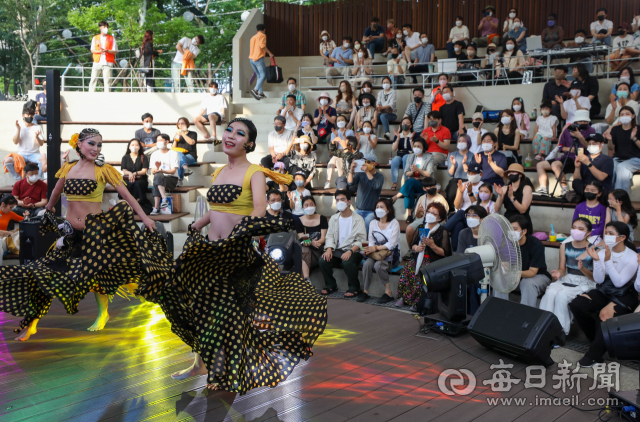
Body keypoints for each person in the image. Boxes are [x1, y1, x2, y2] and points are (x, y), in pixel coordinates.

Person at [150, 117, 326, 393]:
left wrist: (239, 233)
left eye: (239, 133)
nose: (230, 135)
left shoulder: (254, 172)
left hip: (235, 252)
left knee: (226, 315)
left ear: (250, 143)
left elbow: (258, 208)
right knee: (196, 306)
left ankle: (224, 372)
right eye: (229, 130)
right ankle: (202, 362)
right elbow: (218, 207)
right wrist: (200, 223)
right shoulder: (219, 172)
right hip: (210, 250)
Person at [0, 128, 159, 341]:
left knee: (99, 276)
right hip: (70, 233)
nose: (96, 148)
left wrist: (146, 218)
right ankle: (32, 322)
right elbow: (55, 193)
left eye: (99, 145)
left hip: (95, 233)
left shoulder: (105, 170)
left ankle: (103, 313)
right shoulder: (68, 168)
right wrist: (48, 209)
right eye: (92, 144)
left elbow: (128, 196)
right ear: (80, 145)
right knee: (45, 272)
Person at [569, 222, 638, 367]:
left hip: (625, 293)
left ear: (622, 237)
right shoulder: (600, 251)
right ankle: (598, 340)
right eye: (605, 232)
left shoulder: (631, 257)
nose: (606, 236)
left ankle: (594, 356)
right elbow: (599, 279)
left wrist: (607, 261)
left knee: (604, 315)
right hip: (605, 289)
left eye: (611, 233)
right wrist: (597, 259)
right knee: (577, 304)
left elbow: (619, 282)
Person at [540, 217, 595, 335]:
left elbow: (595, 277)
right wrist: (559, 273)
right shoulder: (565, 246)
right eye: (573, 228)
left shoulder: (593, 249)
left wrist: (583, 269)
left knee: (562, 296)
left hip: (585, 282)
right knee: (550, 293)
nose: (576, 231)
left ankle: (560, 333)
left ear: (588, 233)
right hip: (568, 278)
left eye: (580, 229)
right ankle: (543, 328)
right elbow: (562, 268)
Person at [397, 202, 450, 310]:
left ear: (439, 218)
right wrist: (417, 248)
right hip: (419, 258)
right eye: (428, 211)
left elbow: (446, 253)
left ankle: (418, 302)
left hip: (433, 261)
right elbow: (412, 244)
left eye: (434, 213)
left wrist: (433, 246)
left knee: (423, 273)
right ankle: (405, 298)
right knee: (408, 268)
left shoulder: (442, 231)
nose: (429, 214)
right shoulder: (421, 227)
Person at [495, 215, 552, 307]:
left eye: (514, 229)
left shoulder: (536, 244)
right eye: (509, 229)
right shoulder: (506, 243)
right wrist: (503, 269)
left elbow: (532, 272)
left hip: (538, 276)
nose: (511, 232)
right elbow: (505, 265)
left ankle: (525, 317)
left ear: (524, 231)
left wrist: (514, 273)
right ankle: (501, 311)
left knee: (527, 283)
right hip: (515, 277)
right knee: (499, 278)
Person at [319, 190, 367, 297]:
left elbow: (361, 240)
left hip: (354, 250)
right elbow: (329, 236)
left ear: (349, 201)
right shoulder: (333, 218)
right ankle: (331, 285)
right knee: (323, 260)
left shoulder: (358, 219)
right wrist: (329, 249)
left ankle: (354, 288)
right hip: (337, 251)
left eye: (342, 199)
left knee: (347, 261)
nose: (339, 202)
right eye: (337, 200)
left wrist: (350, 251)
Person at [535, 109, 593, 196]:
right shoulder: (568, 130)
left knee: (555, 165)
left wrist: (580, 136)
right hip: (568, 157)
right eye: (580, 120)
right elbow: (561, 147)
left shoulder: (591, 130)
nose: (583, 122)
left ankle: (565, 188)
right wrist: (571, 149)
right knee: (540, 165)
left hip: (582, 158)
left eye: (585, 121)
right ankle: (543, 188)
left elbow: (590, 149)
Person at [359, 198, 400, 303]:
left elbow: (392, 244)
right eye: (377, 207)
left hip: (391, 255)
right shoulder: (373, 222)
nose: (378, 209)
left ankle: (388, 292)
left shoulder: (394, 223)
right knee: (367, 264)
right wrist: (368, 249)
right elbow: (371, 241)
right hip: (376, 254)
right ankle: (366, 291)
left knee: (378, 265)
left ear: (388, 210)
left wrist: (375, 248)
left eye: (381, 207)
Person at [391, 139, 436, 222]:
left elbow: (428, 174)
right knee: (409, 187)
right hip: (412, 183)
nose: (416, 148)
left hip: (424, 184)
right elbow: (406, 172)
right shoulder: (410, 156)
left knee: (409, 182)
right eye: (414, 146)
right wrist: (412, 171)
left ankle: (396, 197)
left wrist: (418, 169)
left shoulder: (429, 157)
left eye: (418, 146)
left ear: (423, 148)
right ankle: (409, 215)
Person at [455, 204, 489, 315]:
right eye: (468, 215)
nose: (470, 218)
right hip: (468, 270)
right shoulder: (463, 233)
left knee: (475, 282)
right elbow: (460, 256)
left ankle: (475, 316)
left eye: (474, 215)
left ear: (482, 219)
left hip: (487, 270)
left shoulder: (490, 235)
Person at [446, 161, 483, 251]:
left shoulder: (483, 186)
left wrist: (470, 193)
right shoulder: (463, 185)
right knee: (458, 225)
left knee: (461, 212)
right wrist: (461, 192)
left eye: (474, 173)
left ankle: (444, 229)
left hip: (475, 216)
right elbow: (457, 205)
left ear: (480, 174)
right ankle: (456, 251)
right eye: (469, 172)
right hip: (462, 217)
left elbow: (479, 207)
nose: (471, 175)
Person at [403, 177, 449, 246]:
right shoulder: (422, 198)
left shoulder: (440, 198)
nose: (432, 188)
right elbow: (418, 216)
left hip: (436, 221)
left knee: (428, 230)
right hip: (423, 219)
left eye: (433, 186)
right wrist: (418, 211)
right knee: (409, 229)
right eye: (429, 186)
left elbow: (444, 215)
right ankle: (412, 249)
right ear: (424, 188)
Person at [347, 153, 384, 235]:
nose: (365, 164)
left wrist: (367, 172)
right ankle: (353, 244)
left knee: (368, 221)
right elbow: (350, 183)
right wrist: (351, 170)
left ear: (375, 164)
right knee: (350, 220)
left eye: (368, 162)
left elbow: (376, 186)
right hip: (358, 210)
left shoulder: (380, 176)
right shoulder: (360, 174)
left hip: (371, 211)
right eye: (364, 161)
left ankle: (366, 244)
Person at [6, 102, 44, 181]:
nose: (29, 117)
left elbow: (41, 143)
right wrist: (18, 130)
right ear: (23, 116)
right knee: (7, 161)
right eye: (27, 115)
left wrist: (37, 137)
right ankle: (18, 179)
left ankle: (38, 179)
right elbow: (15, 142)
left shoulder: (37, 127)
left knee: (43, 159)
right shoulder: (19, 126)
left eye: (31, 115)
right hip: (21, 154)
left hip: (34, 154)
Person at [607, 106, 640, 191]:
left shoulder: (638, 129)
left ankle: (619, 197)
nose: (624, 116)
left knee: (622, 167)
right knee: (610, 166)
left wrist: (634, 138)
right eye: (622, 114)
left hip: (636, 159)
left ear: (632, 116)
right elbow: (610, 148)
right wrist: (610, 140)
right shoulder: (615, 129)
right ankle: (607, 193)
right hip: (618, 158)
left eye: (627, 114)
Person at [295, 196, 327, 283]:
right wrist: (311, 243)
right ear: (303, 207)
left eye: (311, 204)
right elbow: (302, 239)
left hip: (319, 247)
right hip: (307, 247)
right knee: (304, 249)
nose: (309, 207)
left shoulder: (322, 218)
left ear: (315, 205)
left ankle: (304, 280)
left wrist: (315, 243)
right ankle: (306, 278)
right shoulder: (299, 221)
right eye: (306, 205)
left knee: (301, 257)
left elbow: (323, 238)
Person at [573, 133, 614, 198]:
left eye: (594, 143)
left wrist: (588, 164)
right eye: (589, 143)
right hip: (586, 189)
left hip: (601, 189)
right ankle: (586, 198)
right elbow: (577, 179)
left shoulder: (607, 159)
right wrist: (577, 167)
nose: (591, 145)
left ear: (602, 144)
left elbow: (601, 177)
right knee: (576, 182)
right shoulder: (584, 158)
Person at [494, 163, 533, 231]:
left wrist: (512, 198)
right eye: (509, 172)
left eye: (513, 172)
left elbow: (523, 210)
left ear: (520, 174)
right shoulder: (504, 189)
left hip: (522, 221)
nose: (511, 174)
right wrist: (500, 196)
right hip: (508, 220)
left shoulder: (527, 188)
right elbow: (496, 209)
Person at [149, 134, 179, 215]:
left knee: (157, 178)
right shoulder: (154, 154)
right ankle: (164, 198)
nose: (158, 142)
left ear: (167, 142)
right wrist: (158, 168)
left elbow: (173, 171)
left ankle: (156, 208)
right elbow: (152, 171)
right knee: (157, 177)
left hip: (171, 179)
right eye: (157, 141)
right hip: (159, 178)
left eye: (160, 140)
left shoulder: (173, 153)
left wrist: (162, 171)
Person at [119, 139, 151, 213]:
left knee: (137, 184)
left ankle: (139, 202)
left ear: (139, 147)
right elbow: (124, 170)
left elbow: (144, 171)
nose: (134, 147)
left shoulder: (144, 157)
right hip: (128, 178)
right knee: (126, 183)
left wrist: (135, 173)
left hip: (141, 178)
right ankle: (127, 204)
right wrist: (130, 173)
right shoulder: (125, 157)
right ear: (129, 147)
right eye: (132, 145)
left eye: (136, 145)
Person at [390, 118, 421, 190]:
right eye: (403, 123)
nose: (405, 124)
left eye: (407, 123)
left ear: (410, 126)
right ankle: (395, 182)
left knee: (405, 158)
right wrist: (397, 138)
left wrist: (411, 140)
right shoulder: (398, 135)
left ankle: (406, 180)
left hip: (410, 154)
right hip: (399, 154)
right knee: (395, 160)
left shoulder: (415, 135)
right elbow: (394, 149)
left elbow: (415, 150)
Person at [89, 21, 118, 93]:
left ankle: (107, 97)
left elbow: (115, 51)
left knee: (107, 81)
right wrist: (100, 51)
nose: (106, 29)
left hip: (108, 63)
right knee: (93, 79)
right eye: (104, 27)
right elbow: (92, 50)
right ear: (100, 28)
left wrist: (107, 50)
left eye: (107, 27)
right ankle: (90, 95)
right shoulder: (95, 38)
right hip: (97, 62)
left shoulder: (111, 38)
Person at [172, 117, 198, 186]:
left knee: (179, 158)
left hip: (191, 155)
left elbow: (191, 142)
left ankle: (180, 180)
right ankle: (185, 168)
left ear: (186, 124)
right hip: (179, 156)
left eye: (182, 123)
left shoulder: (193, 133)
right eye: (179, 124)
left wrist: (183, 134)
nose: (180, 125)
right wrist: (175, 139)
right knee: (178, 155)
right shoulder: (177, 135)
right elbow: (173, 148)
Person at [248, 24, 271, 100]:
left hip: (251, 59)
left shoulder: (253, 37)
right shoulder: (263, 35)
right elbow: (262, 46)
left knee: (259, 76)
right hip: (258, 58)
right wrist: (270, 53)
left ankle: (260, 93)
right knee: (264, 75)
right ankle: (255, 90)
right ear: (264, 30)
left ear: (256, 30)